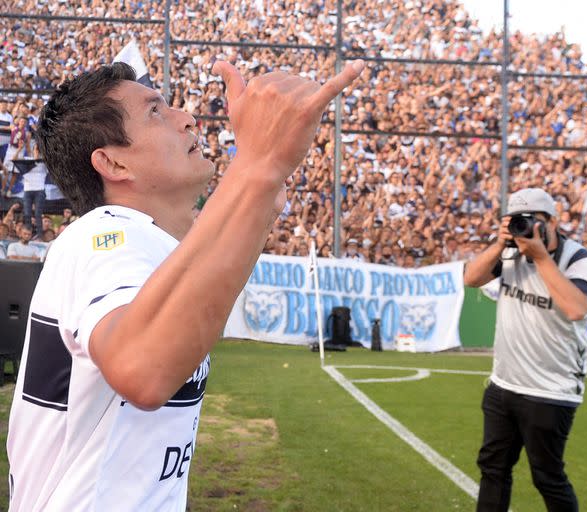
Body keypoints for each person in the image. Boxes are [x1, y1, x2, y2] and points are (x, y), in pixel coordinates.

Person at [7, 59, 363, 511]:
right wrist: (257, 164)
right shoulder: (106, 235)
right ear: (113, 161)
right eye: (156, 111)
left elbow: (212, 264)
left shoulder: (148, 244)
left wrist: (265, 183)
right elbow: (142, 368)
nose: (187, 117)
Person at [464, 188, 587, 512]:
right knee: (492, 469)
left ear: (553, 220)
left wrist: (539, 256)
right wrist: (499, 243)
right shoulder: (508, 251)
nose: (523, 228)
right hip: (504, 384)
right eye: (516, 221)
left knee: (547, 476)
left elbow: (577, 308)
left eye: (531, 221)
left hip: (552, 389)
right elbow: (471, 278)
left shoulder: (577, 259)